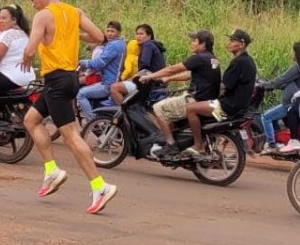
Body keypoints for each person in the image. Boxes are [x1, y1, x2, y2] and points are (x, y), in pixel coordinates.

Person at [19, 0, 117, 214]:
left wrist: (26, 56)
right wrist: (72, 35)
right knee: (31, 120)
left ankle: (99, 185)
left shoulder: (43, 15)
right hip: (69, 79)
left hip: (57, 80)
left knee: (71, 136)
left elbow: (31, 48)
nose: (33, 5)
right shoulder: (75, 12)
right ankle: (51, 170)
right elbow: (98, 37)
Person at [139, 30, 221, 158]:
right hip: (207, 99)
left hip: (195, 100)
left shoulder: (199, 58)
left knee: (158, 108)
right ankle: (175, 139)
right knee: (170, 106)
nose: (191, 43)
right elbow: (191, 74)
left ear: (203, 44)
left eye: (194, 41)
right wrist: (170, 79)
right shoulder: (212, 59)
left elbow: (172, 69)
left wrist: (150, 77)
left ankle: (171, 144)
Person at [183, 29, 257, 157]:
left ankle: (198, 145)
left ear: (242, 44)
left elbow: (224, 85)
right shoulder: (249, 61)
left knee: (191, 109)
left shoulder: (238, 62)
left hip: (228, 106)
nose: (229, 43)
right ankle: (207, 145)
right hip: (239, 106)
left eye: (233, 41)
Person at [257, 42, 300, 152]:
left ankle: (271, 144)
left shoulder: (296, 68)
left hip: (291, 103)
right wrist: (272, 85)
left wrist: (264, 85)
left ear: (296, 53)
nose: (291, 53)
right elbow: (289, 84)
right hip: (299, 102)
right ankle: (280, 140)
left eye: (292, 51)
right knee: (272, 116)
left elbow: (281, 79)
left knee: (266, 117)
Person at [76, 20, 126, 120]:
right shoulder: (120, 43)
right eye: (108, 31)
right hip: (110, 81)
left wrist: (81, 62)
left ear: (119, 33)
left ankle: (92, 122)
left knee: (80, 94)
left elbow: (99, 63)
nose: (110, 34)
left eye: (113, 31)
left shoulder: (113, 45)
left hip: (108, 84)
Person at [110, 24, 166, 105]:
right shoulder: (153, 45)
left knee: (114, 87)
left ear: (149, 35)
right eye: (137, 34)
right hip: (155, 83)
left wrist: (132, 78)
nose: (138, 36)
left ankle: (124, 115)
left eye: (141, 34)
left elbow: (144, 66)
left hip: (149, 85)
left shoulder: (148, 45)